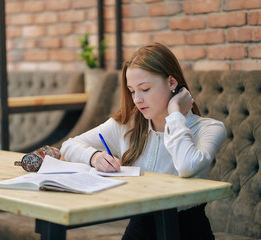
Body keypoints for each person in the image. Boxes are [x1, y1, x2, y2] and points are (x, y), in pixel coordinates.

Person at [60, 42, 227, 240]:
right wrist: (94, 157)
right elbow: (68, 146)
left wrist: (175, 113)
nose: (137, 99)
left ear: (172, 83)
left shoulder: (210, 128)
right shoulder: (125, 126)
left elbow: (187, 166)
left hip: (187, 231)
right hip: (139, 230)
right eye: (132, 91)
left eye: (145, 89)